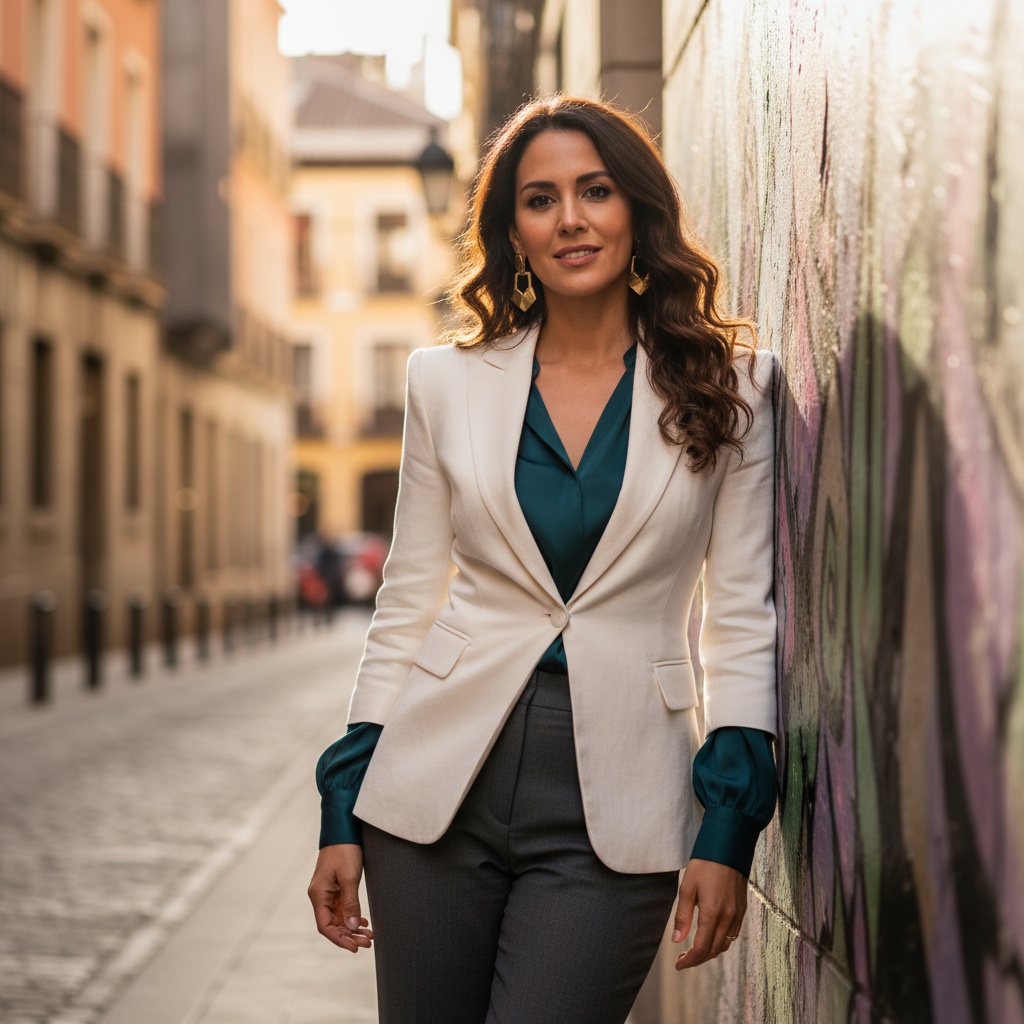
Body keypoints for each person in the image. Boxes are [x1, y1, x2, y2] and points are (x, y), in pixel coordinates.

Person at [308, 95, 778, 1024]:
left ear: (638, 210)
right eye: (540, 199)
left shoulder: (733, 391)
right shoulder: (443, 382)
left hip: (622, 798)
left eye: (595, 191)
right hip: (435, 788)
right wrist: (342, 807)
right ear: (511, 231)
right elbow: (406, 597)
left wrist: (729, 826)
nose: (570, 218)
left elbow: (742, 613)